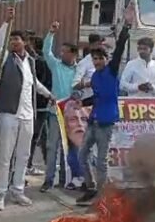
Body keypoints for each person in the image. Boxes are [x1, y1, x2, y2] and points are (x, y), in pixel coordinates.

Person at [0, 9, 54, 211]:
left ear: (25, 42)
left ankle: (17, 190)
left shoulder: (30, 62)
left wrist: (49, 95)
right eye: (11, 39)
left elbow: (34, 83)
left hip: (28, 115)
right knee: (5, 156)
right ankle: (0, 193)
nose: (13, 42)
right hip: (9, 114)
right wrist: (6, 22)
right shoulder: (6, 59)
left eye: (16, 39)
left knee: (24, 155)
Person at [74, 13, 132, 206]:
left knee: (101, 161)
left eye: (100, 59)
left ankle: (102, 196)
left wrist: (126, 27)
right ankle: (91, 188)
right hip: (93, 121)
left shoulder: (111, 71)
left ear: (106, 59)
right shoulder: (95, 77)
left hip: (106, 124)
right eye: (94, 59)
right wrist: (82, 104)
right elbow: (97, 98)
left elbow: (120, 49)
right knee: (82, 155)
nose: (97, 62)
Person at [39, 21, 78, 193]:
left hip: (72, 115)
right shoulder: (56, 66)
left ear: (73, 54)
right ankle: (48, 180)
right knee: (52, 147)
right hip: (55, 114)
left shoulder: (79, 70)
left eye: (64, 51)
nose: (61, 54)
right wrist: (51, 33)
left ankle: (65, 180)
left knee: (68, 149)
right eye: (61, 51)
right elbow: (46, 52)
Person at [27, 36, 51, 177]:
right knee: (41, 136)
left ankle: (29, 164)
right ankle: (47, 162)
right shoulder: (38, 61)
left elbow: (37, 84)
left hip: (39, 105)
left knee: (35, 136)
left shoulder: (38, 62)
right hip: (41, 104)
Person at [72, 33, 105, 103]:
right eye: (98, 44)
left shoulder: (105, 61)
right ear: (91, 46)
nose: (101, 47)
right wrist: (89, 83)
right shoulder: (84, 63)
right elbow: (74, 85)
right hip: (88, 101)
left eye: (102, 44)